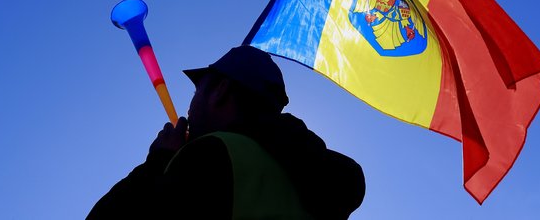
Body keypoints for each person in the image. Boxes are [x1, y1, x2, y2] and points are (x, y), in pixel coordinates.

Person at [87, 45, 365, 219]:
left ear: (220, 92)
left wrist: (157, 161)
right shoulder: (298, 168)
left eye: (197, 92)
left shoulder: (211, 156)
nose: (191, 105)